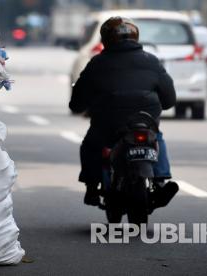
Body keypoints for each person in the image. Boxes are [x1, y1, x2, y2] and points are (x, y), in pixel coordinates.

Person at [69, 17, 177, 206]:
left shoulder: (97, 63)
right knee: (156, 136)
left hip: (108, 124)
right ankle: (160, 180)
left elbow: (77, 101)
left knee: (90, 145)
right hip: (145, 120)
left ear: (106, 39)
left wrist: (78, 105)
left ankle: (92, 186)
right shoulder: (151, 60)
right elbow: (169, 99)